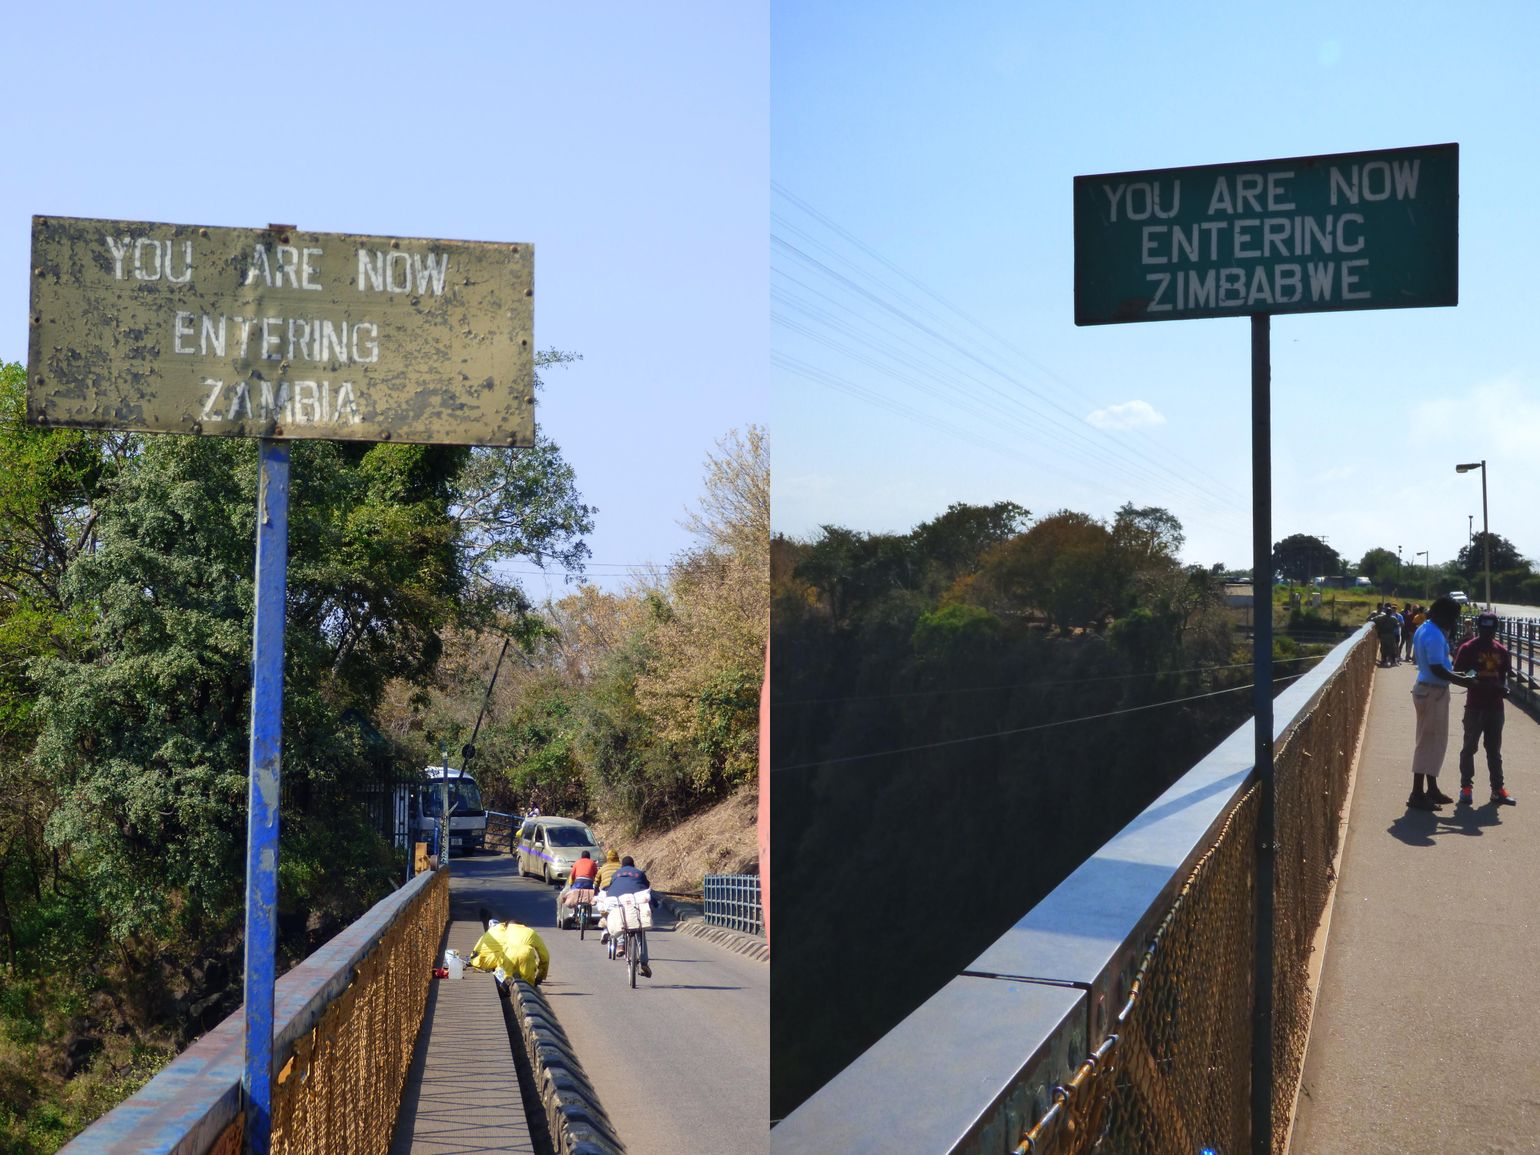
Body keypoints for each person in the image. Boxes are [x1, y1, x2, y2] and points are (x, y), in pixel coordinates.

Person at [1408, 595, 1477, 810]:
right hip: (1432, 693)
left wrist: (1456, 674)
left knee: (1434, 743)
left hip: (1427, 689)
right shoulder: (1435, 634)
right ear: (1442, 614)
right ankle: (1417, 794)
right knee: (1428, 743)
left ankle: (1432, 789)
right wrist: (1464, 681)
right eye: (1452, 617)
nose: (1453, 622)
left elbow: (1438, 666)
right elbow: (1437, 668)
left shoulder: (1427, 628)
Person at [1453, 611, 1515, 805]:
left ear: (1496, 629)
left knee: (1494, 750)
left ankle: (1497, 789)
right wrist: (1477, 681)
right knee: (1469, 748)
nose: (1487, 632)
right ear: (1479, 627)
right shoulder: (1468, 648)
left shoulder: (1502, 650)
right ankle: (1466, 788)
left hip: (1496, 706)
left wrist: (1504, 688)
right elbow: (1458, 673)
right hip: (1475, 706)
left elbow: (1504, 675)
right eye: (1484, 628)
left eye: (1491, 629)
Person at [605, 855, 654, 977]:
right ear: (633, 865)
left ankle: (620, 943)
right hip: (635, 901)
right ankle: (644, 963)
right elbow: (647, 889)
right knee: (640, 931)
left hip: (618, 900)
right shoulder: (639, 873)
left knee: (620, 921)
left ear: (622, 865)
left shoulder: (616, 874)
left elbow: (610, 887)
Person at [468, 917, 550, 985]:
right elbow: (545, 956)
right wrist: (540, 976)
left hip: (507, 955)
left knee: (507, 980)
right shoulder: (530, 931)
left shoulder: (504, 931)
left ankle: (505, 984)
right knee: (528, 984)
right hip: (526, 955)